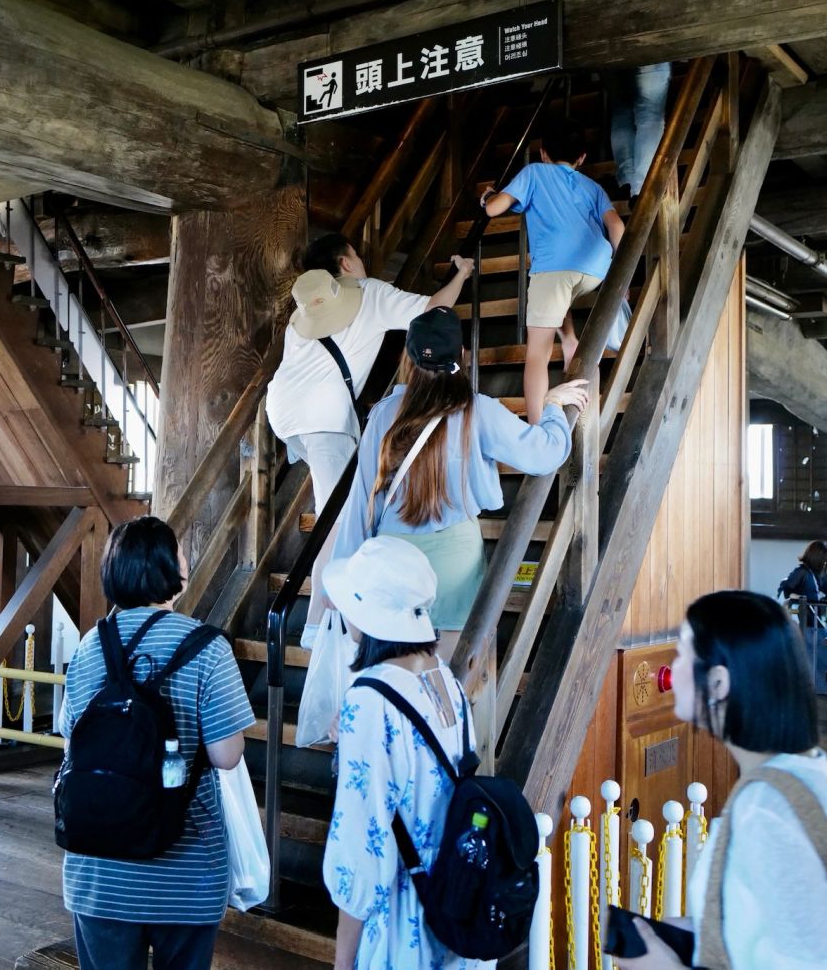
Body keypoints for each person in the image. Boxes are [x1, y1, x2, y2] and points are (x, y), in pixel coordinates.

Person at [60, 516, 254, 970]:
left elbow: (75, 744)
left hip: (98, 874)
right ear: (172, 568)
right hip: (184, 871)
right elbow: (228, 756)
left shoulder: (89, 648)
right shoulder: (207, 648)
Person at [615, 590, 827, 970]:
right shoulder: (808, 774)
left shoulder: (766, 810)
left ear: (720, 683)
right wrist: (693, 934)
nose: (670, 668)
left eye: (684, 651)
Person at [320, 536, 496, 970]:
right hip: (449, 916)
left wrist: (342, 969)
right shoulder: (443, 682)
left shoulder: (370, 697)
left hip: (401, 933)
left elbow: (360, 854)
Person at [331, 307, 589, 661]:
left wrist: (346, 568)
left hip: (393, 561)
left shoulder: (383, 414)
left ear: (407, 358)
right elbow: (544, 454)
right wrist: (554, 407)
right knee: (452, 682)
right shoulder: (477, 410)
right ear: (463, 355)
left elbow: (362, 499)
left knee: (393, 678)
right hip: (456, 562)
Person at [266, 232, 474, 644]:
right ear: (345, 264)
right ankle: (314, 625)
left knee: (338, 508)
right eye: (357, 256)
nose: (362, 263)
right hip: (323, 420)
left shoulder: (306, 310)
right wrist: (463, 273)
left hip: (283, 414)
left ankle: (326, 615)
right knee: (337, 521)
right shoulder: (369, 292)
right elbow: (434, 309)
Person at [481, 122, 624, 425]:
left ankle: (535, 428)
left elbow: (494, 209)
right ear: (582, 158)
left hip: (555, 267)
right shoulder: (593, 187)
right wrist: (620, 276)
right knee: (561, 296)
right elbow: (617, 227)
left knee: (537, 352)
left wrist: (487, 197)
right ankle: (570, 341)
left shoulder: (534, 173)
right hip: (596, 267)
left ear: (543, 154)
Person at [605, 63, 671, 203]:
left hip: (610, 52)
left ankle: (627, 180)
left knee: (621, 112)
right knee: (650, 117)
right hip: (648, 50)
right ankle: (640, 189)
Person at [778, 539, 827, 603]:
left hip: (814, 610)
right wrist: (800, 598)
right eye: (824, 559)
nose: (825, 562)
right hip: (802, 610)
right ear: (817, 558)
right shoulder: (801, 571)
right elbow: (786, 590)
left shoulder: (819, 574)